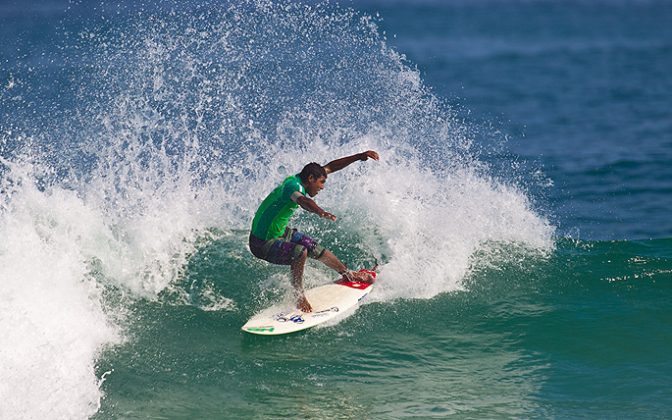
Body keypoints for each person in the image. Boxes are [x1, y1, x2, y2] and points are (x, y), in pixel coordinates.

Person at [249, 150, 379, 312]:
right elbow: (303, 201)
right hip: (261, 243)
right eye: (321, 182)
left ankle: (348, 274)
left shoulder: (302, 179)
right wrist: (320, 211)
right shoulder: (292, 187)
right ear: (310, 179)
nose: (322, 187)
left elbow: (332, 166)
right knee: (300, 252)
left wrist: (359, 156)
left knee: (313, 247)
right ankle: (298, 296)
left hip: (278, 232)